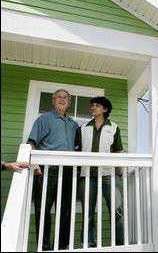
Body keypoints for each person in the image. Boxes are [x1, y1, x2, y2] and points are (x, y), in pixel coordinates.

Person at [27, 89, 79, 251]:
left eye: (65, 98)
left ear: (69, 102)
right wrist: (34, 163)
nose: (62, 100)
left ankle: (62, 247)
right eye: (59, 97)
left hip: (68, 171)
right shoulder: (44, 119)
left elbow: (78, 147)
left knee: (66, 211)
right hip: (47, 170)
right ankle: (44, 248)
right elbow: (31, 142)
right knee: (43, 209)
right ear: (53, 100)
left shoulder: (74, 124)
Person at [76, 96, 124, 247]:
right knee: (87, 212)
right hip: (87, 175)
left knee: (116, 211)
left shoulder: (114, 127)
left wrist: (119, 171)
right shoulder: (82, 129)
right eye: (92, 105)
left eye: (97, 105)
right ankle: (89, 245)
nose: (93, 107)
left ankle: (119, 245)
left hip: (109, 175)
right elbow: (76, 149)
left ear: (105, 109)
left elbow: (117, 151)